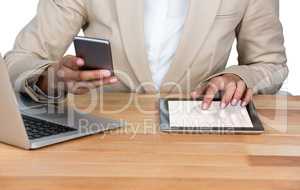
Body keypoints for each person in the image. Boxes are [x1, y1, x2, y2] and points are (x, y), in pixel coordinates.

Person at [5, 0, 288, 109]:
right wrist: (49, 78)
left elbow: (270, 63)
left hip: (203, 140)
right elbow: (19, 59)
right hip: (101, 137)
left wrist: (237, 77)